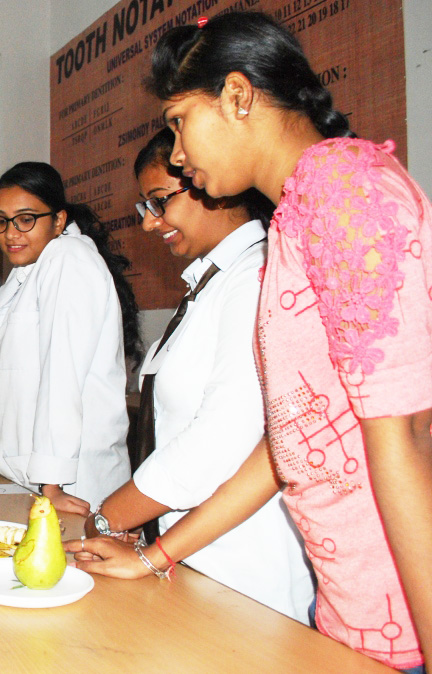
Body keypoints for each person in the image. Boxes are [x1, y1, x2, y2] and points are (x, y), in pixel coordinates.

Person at [72, 12, 431, 673]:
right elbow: (290, 439)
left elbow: (406, 435)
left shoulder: (346, 189)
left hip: (405, 625)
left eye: (180, 121)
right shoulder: (298, 217)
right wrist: (155, 556)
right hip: (346, 615)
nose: (178, 154)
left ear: (238, 96)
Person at [75, 129, 313, 622]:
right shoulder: (210, 282)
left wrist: (109, 516)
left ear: (210, 183)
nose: (149, 222)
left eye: (159, 201)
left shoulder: (255, 277)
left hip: (242, 574)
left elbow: (222, 438)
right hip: (189, 558)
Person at [0, 162, 139, 515]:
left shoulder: (69, 258)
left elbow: (62, 375)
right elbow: (0, 373)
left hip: (69, 482)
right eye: (1, 221)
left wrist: (52, 485)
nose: (10, 233)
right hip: (28, 475)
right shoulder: (23, 275)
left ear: (58, 221)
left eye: (25, 219)